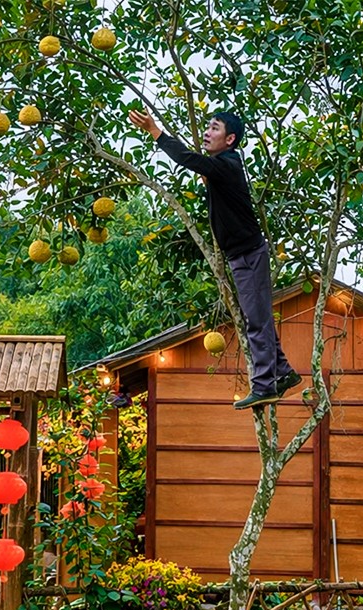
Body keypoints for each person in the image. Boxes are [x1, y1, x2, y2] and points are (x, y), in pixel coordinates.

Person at [129, 108, 300, 409]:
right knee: (258, 317)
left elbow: (188, 159)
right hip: (241, 255)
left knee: (256, 322)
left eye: (214, 128)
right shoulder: (222, 168)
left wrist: (155, 131)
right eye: (207, 127)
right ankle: (283, 373)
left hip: (248, 254)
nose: (207, 132)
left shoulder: (228, 164)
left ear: (230, 139)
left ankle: (264, 386)